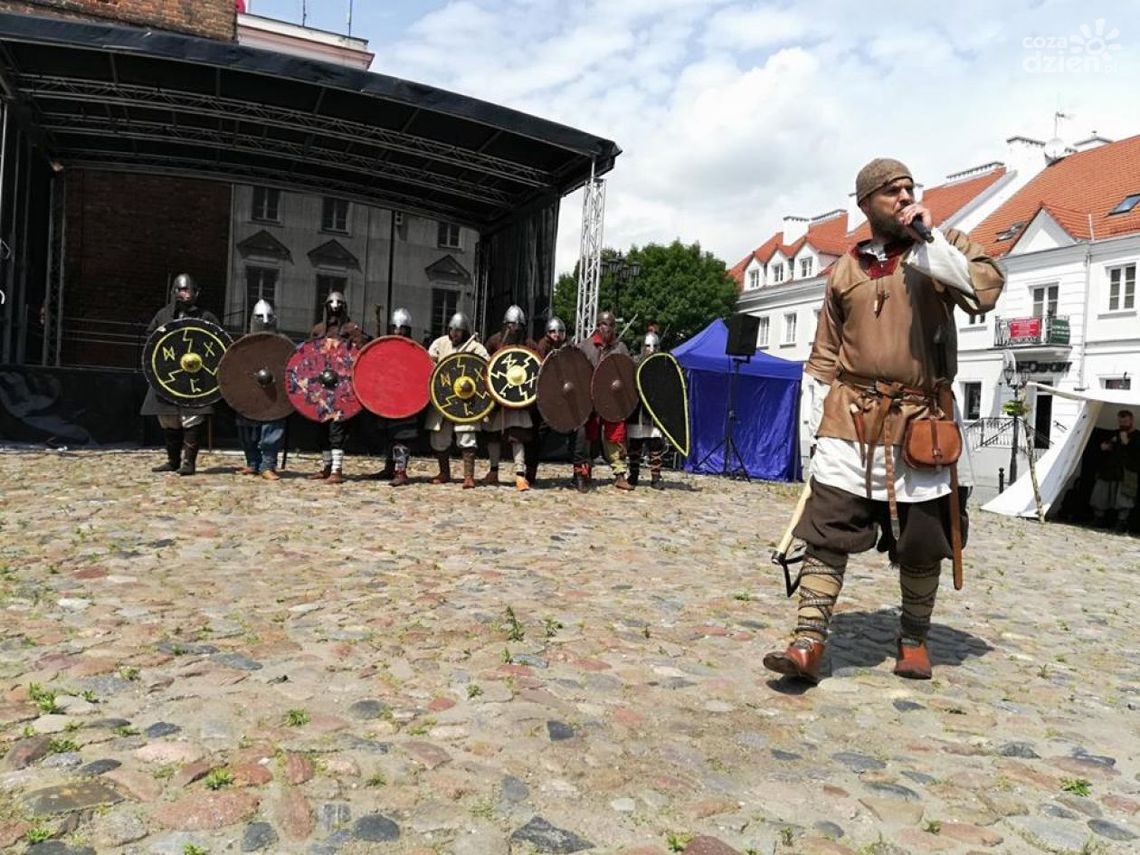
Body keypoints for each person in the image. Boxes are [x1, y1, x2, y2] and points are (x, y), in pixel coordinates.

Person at [762, 158, 1004, 684]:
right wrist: (814, 436)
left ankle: (913, 639)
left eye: (908, 188)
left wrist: (929, 240)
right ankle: (808, 640)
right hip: (850, 421)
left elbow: (984, 290)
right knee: (826, 531)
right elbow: (823, 358)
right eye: (891, 191)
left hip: (922, 421)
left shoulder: (943, 245)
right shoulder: (844, 270)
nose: (903, 196)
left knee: (922, 541)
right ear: (865, 203)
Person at [141, 273, 220, 476]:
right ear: (174, 291)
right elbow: (151, 340)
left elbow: (217, 346)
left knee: (191, 418)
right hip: (169, 375)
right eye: (181, 290)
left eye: (188, 290)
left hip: (195, 376)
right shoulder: (163, 315)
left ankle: (189, 462)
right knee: (168, 419)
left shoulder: (206, 317)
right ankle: (173, 460)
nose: (185, 294)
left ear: (196, 292)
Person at [308, 291, 367, 484]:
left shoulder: (352, 329)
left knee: (337, 429)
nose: (335, 307)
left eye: (339, 303)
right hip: (322, 387)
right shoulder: (318, 329)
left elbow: (362, 353)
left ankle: (336, 470)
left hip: (343, 387)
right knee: (322, 429)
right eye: (331, 303)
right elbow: (309, 356)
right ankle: (326, 467)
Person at [425, 312, 489, 488]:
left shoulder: (476, 348)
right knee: (439, 436)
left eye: (458, 331)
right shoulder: (440, 344)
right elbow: (428, 365)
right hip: (443, 397)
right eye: (452, 330)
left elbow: (485, 371)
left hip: (467, 399)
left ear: (466, 332)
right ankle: (444, 472)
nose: (454, 334)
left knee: (467, 435)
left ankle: (469, 476)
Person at [575, 310, 633, 492]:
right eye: (604, 324)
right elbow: (576, 371)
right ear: (598, 325)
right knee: (587, 436)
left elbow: (627, 373)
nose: (607, 328)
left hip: (612, 400)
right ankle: (584, 472)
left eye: (610, 325)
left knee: (615, 435)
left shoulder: (620, 348)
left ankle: (620, 474)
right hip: (589, 398)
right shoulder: (585, 346)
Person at [482, 305, 538, 491]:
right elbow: (484, 366)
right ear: (505, 325)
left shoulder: (529, 345)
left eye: (518, 325)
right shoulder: (495, 341)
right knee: (493, 435)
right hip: (497, 398)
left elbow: (538, 370)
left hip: (518, 399)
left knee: (517, 436)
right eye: (511, 325)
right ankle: (493, 471)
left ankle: (520, 476)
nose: (514, 329)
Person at [235, 299, 286, 481]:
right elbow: (236, 369)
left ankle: (267, 465)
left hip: (274, 394)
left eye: (269, 316)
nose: (265, 320)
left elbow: (289, 367)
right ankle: (253, 463)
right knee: (247, 430)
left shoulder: (282, 343)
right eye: (260, 316)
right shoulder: (244, 343)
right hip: (251, 392)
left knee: (271, 430)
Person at [370, 307, 421, 486]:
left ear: (408, 330)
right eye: (395, 328)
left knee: (402, 437)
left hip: (406, 401)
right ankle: (389, 468)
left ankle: (401, 471)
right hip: (388, 399)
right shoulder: (385, 346)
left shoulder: (415, 350)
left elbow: (420, 375)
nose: (398, 331)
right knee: (388, 436)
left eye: (402, 328)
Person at [529, 316, 572, 486]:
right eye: (553, 331)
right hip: (544, 400)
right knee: (536, 437)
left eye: (560, 331)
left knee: (577, 430)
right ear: (547, 333)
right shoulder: (541, 348)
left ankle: (580, 474)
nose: (556, 335)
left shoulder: (569, 348)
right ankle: (530, 473)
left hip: (564, 399)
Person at [627, 331, 666, 490]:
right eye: (648, 346)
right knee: (635, 445)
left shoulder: (663, 364)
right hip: (637, 410)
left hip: (654, 411)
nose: (651, 349)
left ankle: (655, 478)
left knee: (655, 445)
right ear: (643, 347)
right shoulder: (634, 362)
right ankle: (634, 476)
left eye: (655, 346)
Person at [1090, 409, 1139, 531]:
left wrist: (1126, 442)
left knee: (1124, 498)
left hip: (1127, 471)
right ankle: (1099, 519)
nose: (1123, 424)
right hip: (1110, 470)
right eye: (1120, 421)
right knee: (1101, 495)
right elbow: (1107, 445)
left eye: (1125, 421)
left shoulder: (1138, 436)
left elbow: (1136, 453)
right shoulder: (1116, 434)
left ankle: (1121, 522)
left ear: (1131, 421)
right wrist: (1105, 446)